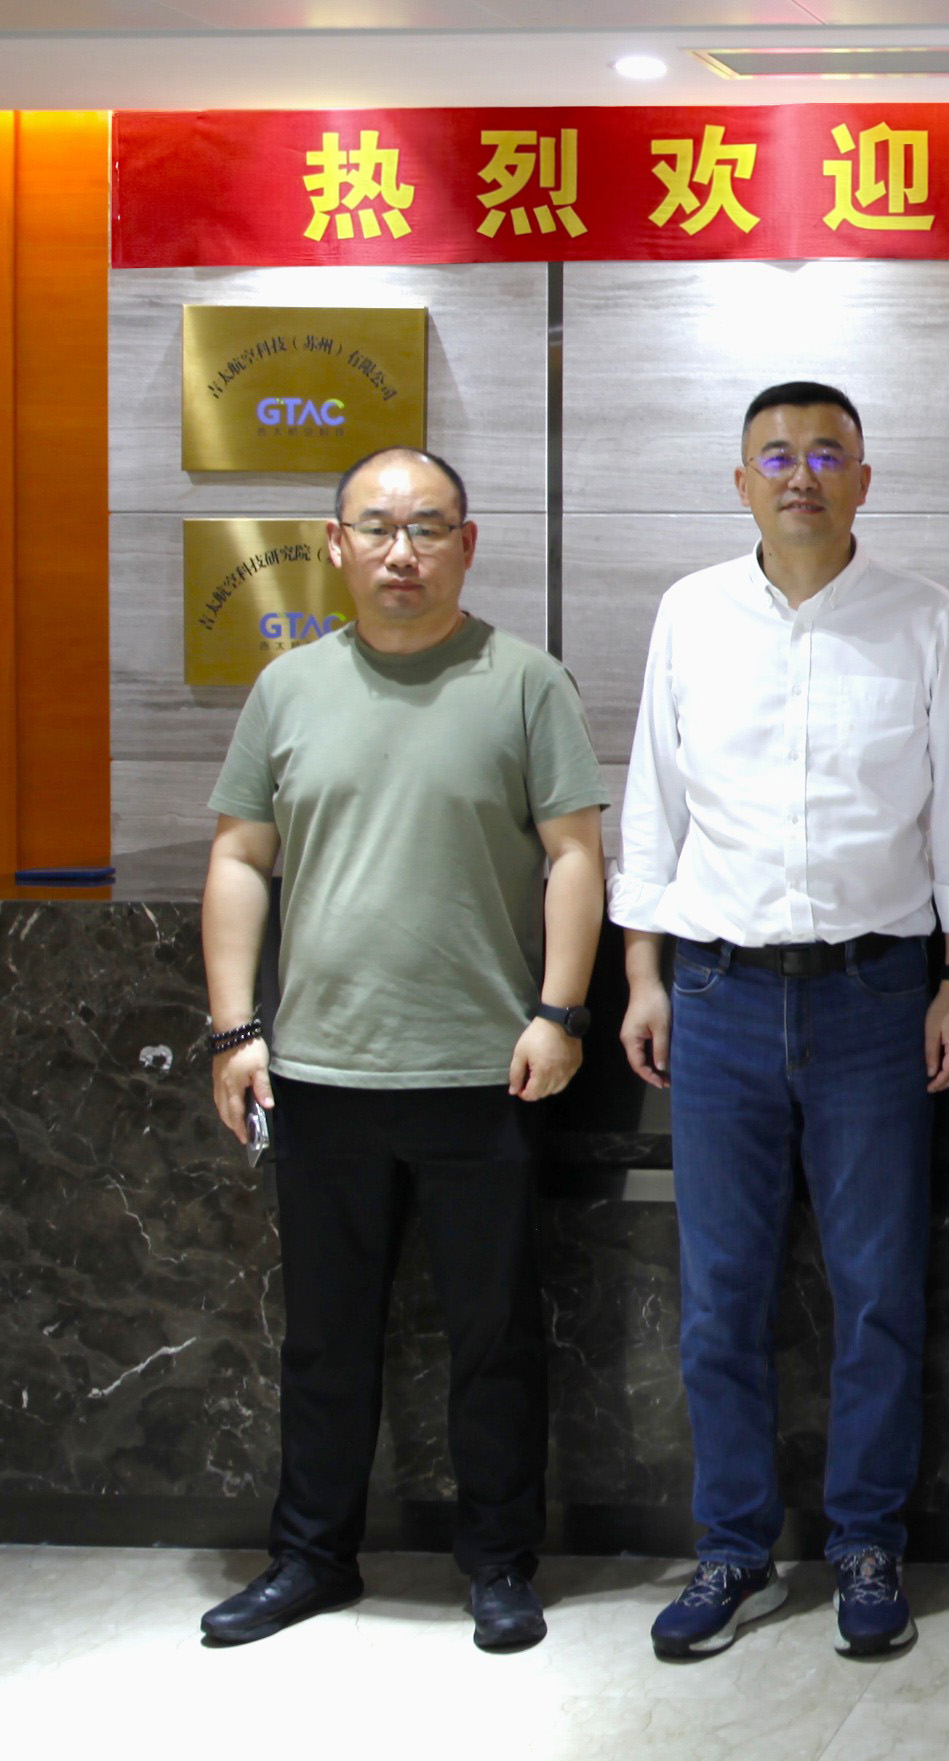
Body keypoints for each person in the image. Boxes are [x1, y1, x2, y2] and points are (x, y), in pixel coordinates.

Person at [199, 446, 607, 1654]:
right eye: (376, 527)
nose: (401, 550)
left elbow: (575, 853)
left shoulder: (525, 682)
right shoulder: (288, 689)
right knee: (325, 1338)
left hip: (486, 1071)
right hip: (321, 1071)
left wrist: (560, 1013)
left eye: (428, 527)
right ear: (335, 545)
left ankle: (500, 1563)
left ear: (466, 545)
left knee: (495, 1340)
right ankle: (310, 1556)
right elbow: (239, 857)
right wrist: (235, 1027)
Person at [613, 382, 949, 1661]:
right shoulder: (689, 614)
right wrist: (643, 973)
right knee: (719, 1293)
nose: (801, 475)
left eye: (828, 454)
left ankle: (867, 1541)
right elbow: (653, 802)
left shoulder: (924, 617)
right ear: (741, 483)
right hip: (716, 995)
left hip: (878, 995)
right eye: (776, 455)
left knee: (878, 1288)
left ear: (865, 479)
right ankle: (731, 1548)